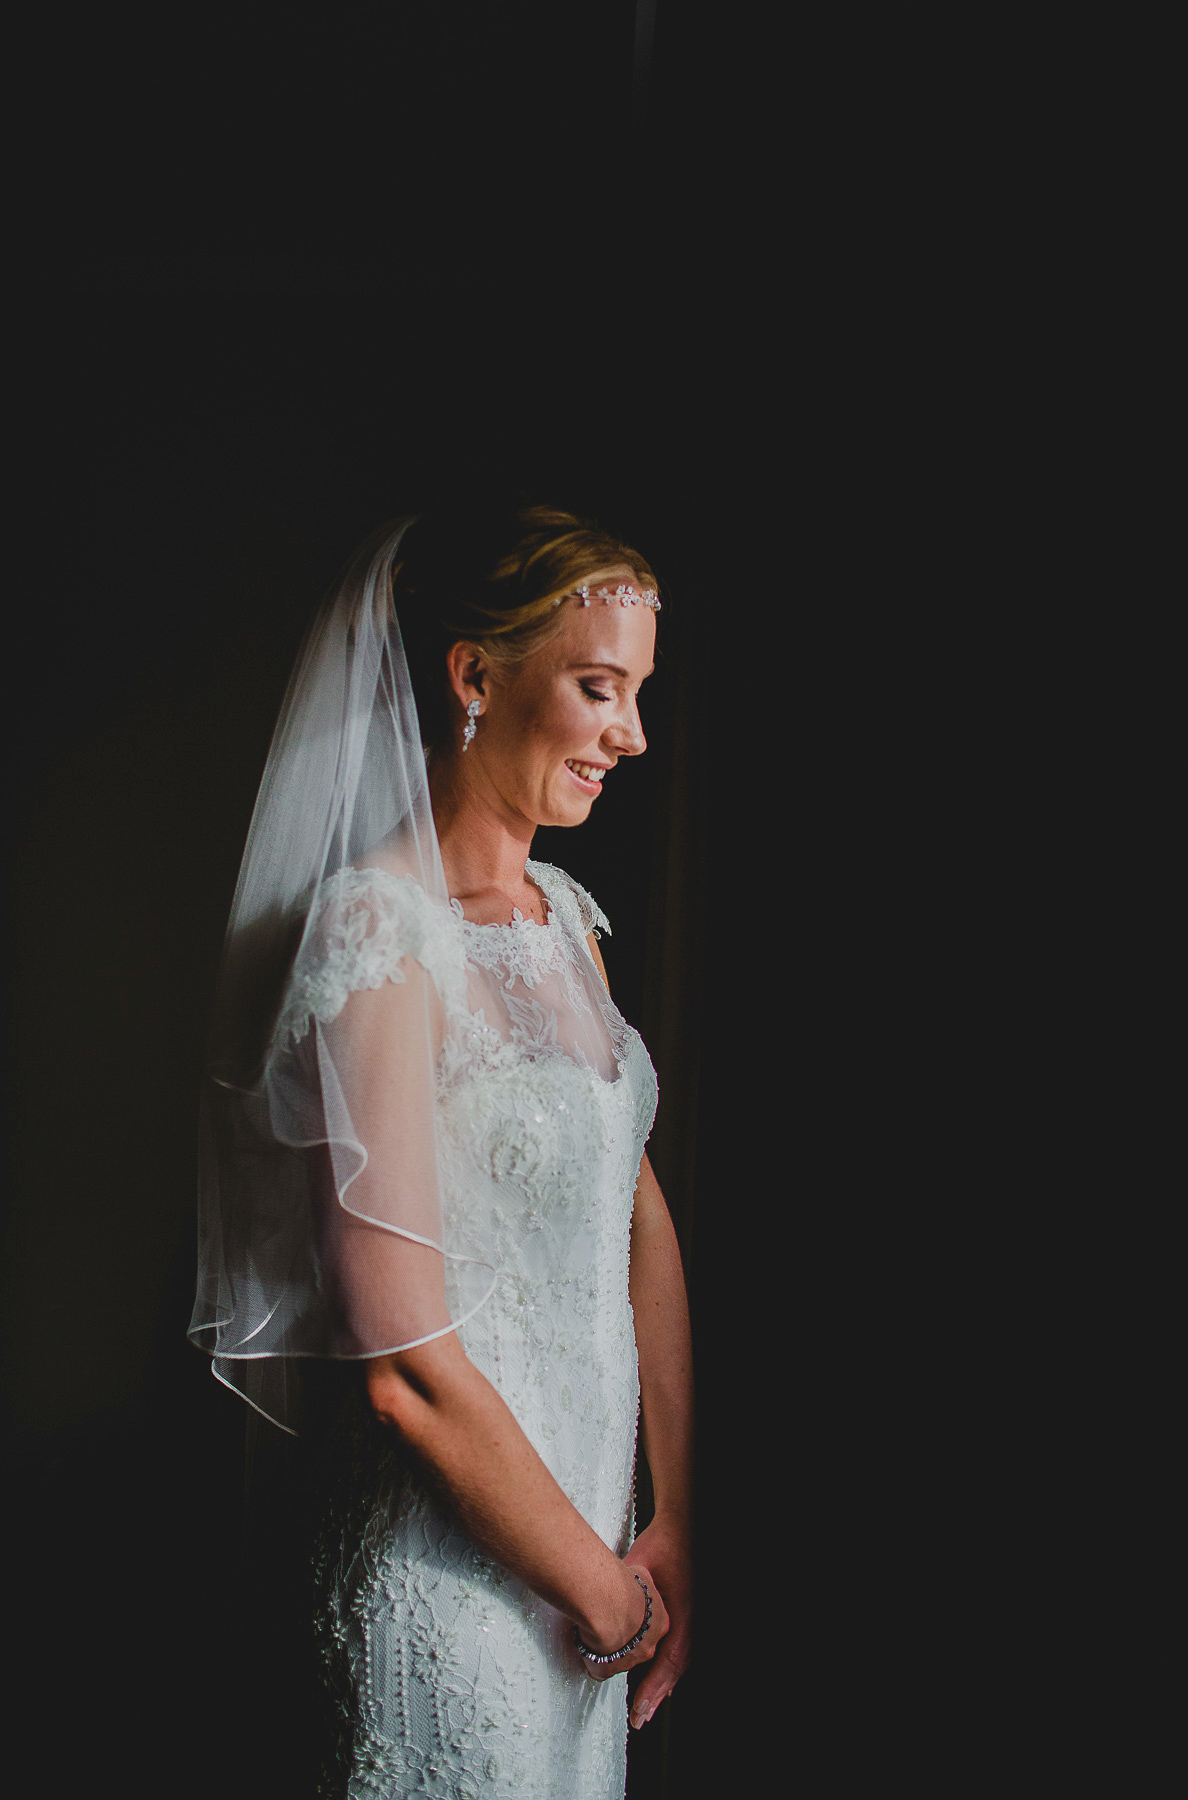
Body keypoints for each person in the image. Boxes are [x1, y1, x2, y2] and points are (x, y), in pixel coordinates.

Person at [190, 504, 694, 1799]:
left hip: (593, 1576)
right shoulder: (376, 934)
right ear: (476, 675)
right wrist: (604, 1592)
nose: (630, 735)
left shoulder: (565, 922)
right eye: (599, 688)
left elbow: (635, 1220)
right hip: (454, 1595)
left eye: (637, 694)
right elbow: (405, 1365)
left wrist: (672, 1522)